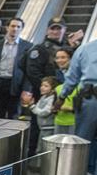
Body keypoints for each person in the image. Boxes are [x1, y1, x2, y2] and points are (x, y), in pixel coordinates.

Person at [53, 11, 97, 175]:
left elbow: (71, 79)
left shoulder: (86, 49)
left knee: (79, 146)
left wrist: (60, 98)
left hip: (88, 102)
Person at [21, 16, 66, 156]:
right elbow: (32, 71)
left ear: (64, 30)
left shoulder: (66, 48)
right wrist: (48, 89)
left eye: (59, 29)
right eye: (53, 28)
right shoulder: (40, 49)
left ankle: (52, 156)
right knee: (37, 125)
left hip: (61, 95)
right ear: (47, 30)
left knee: (53, 127)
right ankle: (31, 155)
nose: (56, 32)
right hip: (43, 94)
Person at [0, 17, 32, 119]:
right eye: (13, 26)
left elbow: (28, 70)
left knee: (14, 115)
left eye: (18, 27)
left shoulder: (27, 46)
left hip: (15, 84)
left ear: (21, 29)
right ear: (7, 27)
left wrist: (26, 89)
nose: (15, 29)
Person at [30, 77, 58, 147]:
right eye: (41, 85)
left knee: (45, 148)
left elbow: (44, 112)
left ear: (53, 89)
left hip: (49, 128)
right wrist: (33, 106)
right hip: (42, 128)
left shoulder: (52, 99)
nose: (42, 88)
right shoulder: (43, 97)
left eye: (46, 86)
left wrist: (32, 106)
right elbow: (37, 108)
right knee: (40, 148)